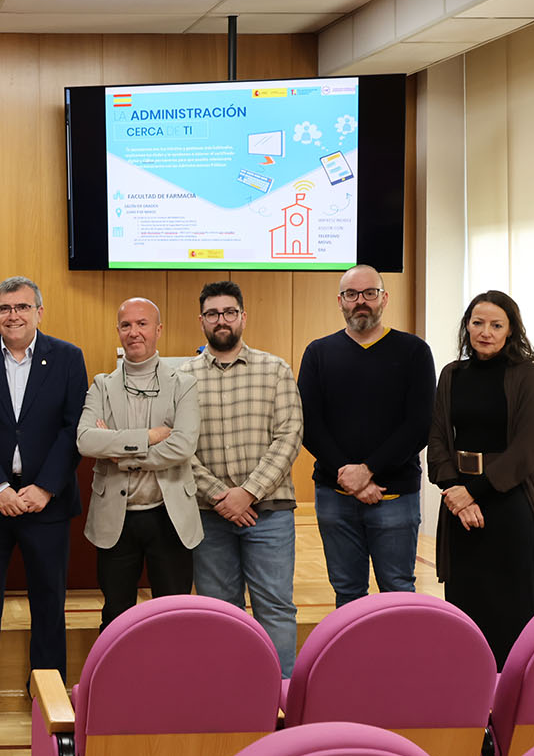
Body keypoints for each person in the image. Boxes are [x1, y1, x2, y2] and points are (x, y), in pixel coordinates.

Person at [0, 276, 86, 733]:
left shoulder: (68, 358)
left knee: (48, 602)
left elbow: (73, 428)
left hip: (47, 502)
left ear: (39, 312)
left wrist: (45, 487)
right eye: (5, 308)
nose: (14, 315)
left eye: (22, 307)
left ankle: (47, 695)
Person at [177, 282, 303, 675]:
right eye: (213, 314)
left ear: (243, 317)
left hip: (270, 513)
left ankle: (280, 694)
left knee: (275, 607)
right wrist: (221, 495)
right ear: (201, 321)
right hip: (209, 514)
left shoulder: (275, 369)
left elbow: (290, 436)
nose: (222, 320)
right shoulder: (181, 377)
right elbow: (178, 447)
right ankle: (229, 695)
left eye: (229, 312)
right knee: (219, 611)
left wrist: (247, 493)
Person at [298, 265, 436, 607]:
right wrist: (348, 475)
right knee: (347, 593)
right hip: (335, 495)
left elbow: (420, 424)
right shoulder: (318, 352)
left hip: (395, 495)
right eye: (351, 294)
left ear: (384, 298)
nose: (361, 301)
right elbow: (308, 423)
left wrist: (368, 470)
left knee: (398, 591)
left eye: (369, 293)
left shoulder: (414, 351)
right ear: (340, 301)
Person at [427, 291, 534, 669]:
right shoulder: (452, 374)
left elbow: (526, 450)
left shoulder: (526, 374)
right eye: (478, 323)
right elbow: (438, 438)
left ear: (511, 331)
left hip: (509, 505)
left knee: (514, 611)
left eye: (496, 325)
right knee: (466, 609)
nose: (486, 332)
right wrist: (454, 490)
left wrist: (471, 492)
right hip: (459, 505)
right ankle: (470, 697)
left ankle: (516, 695)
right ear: (467, 326)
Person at [77, 297, 201, 630]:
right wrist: (150, 436)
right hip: (115, 519)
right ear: (118, 331)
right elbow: (86, 440)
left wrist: (121, 454)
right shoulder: (101, 385)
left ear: (158, 330)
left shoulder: (183, 384)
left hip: (169, 515)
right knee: (116, 617)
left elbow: (183, 445)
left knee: (172, 620)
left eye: (142, 324)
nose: (134, 332)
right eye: (126, 325)